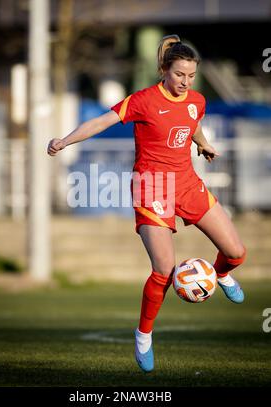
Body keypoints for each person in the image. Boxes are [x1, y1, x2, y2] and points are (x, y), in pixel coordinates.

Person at [47, 35, 246, 373]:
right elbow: (101, 121)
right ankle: (143, 334)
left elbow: (192, 122)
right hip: (151, 188)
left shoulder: (197, 99)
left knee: (237, 254)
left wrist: (204, 144)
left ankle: (221, 275)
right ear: (164, 71)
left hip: (187, 185)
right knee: (164, 271)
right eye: (180, 74)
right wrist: (64, 141)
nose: (185, 82)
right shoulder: (143, 100)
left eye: (191, 76)